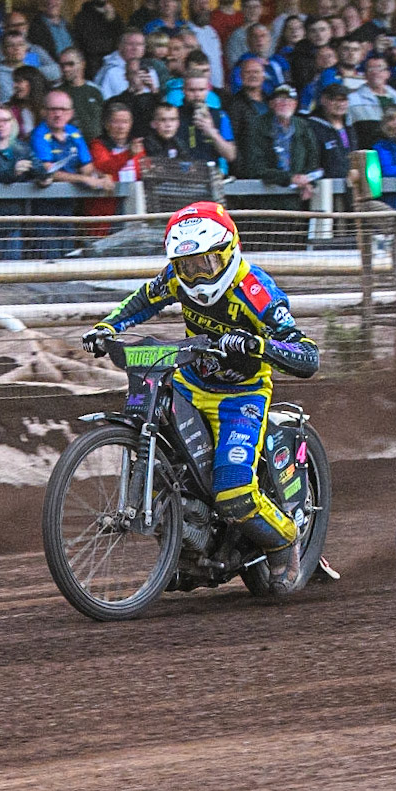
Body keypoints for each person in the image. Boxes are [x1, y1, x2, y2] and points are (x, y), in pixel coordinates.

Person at [82, 202, 321, 585]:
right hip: (190, 384)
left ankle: (285, 539)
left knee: (233, 493)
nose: (195, 275)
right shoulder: (175, 279)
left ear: (228, 252)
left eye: (205, 263)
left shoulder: (255, 290)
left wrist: (257, 345)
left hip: (242, 397)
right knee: (165, 466)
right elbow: (143, 300)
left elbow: (307, 355)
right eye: (186, 265)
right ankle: (190, 548)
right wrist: (105, 328)